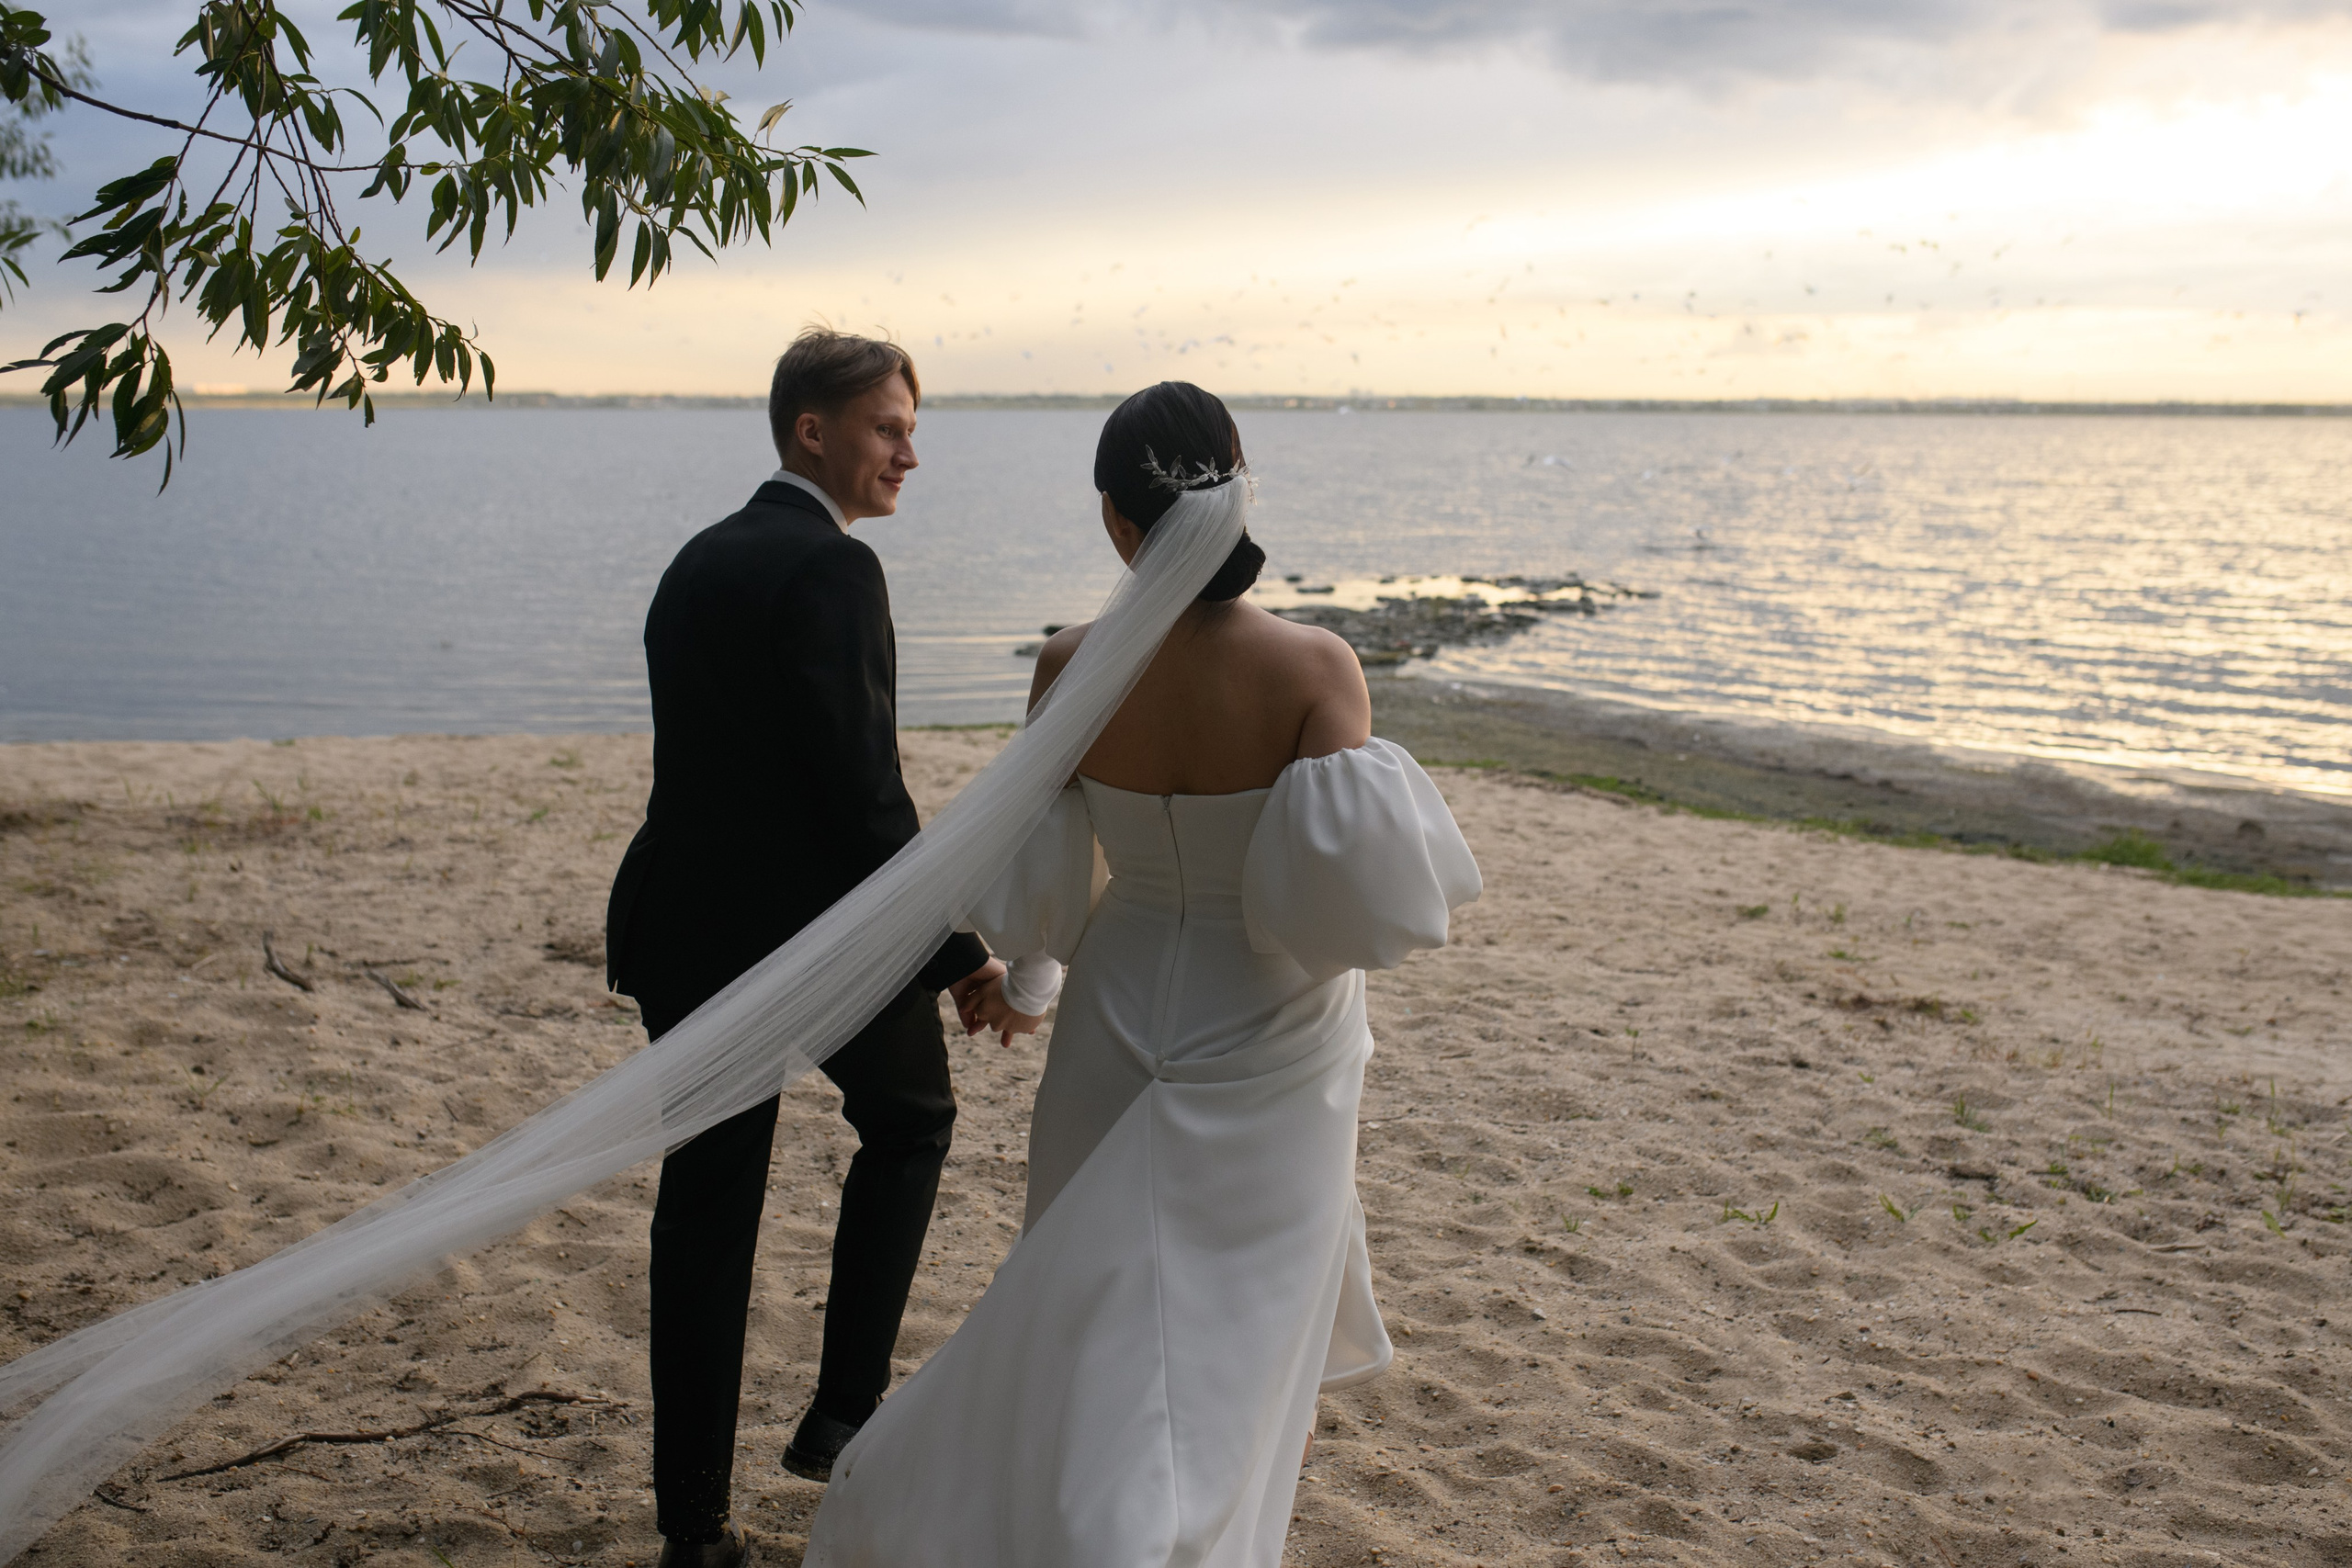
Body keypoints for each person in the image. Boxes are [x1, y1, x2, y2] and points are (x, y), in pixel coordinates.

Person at [802, 382, 1482, 1567]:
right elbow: (1339, 906)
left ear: (1117, 519)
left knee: (1085, 1305)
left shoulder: (1069, 665)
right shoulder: (1316, 668)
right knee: (1241, 1325)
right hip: (1274, 1024)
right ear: (1238, 486)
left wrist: (1028, 990)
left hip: (1115, 1005)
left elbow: (1048, 867)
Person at [604, 328, 1006, 1568]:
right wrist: (960, 953)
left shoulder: (697, 557)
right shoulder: (835, 569)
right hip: (807, 941)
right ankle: (840, 1413)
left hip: (683, 928)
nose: (908, 454)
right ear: (811, 431)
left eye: (912, 431)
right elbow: (863, 795)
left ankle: (694, 1529)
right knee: (914, 1119)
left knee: (707, 1212)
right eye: (888, 429)